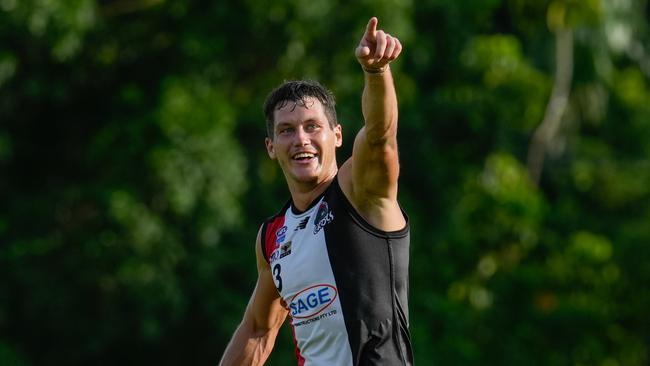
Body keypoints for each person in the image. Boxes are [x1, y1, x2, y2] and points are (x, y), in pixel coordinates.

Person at [219, 17, 412, 365]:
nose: (301, 140)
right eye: (287, 131)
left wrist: (376, 72)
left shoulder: (359, 191)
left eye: (312, 127)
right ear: (270, 146)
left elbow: (381, 135)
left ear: (337, 136)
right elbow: (258, 330)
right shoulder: (272, 237)